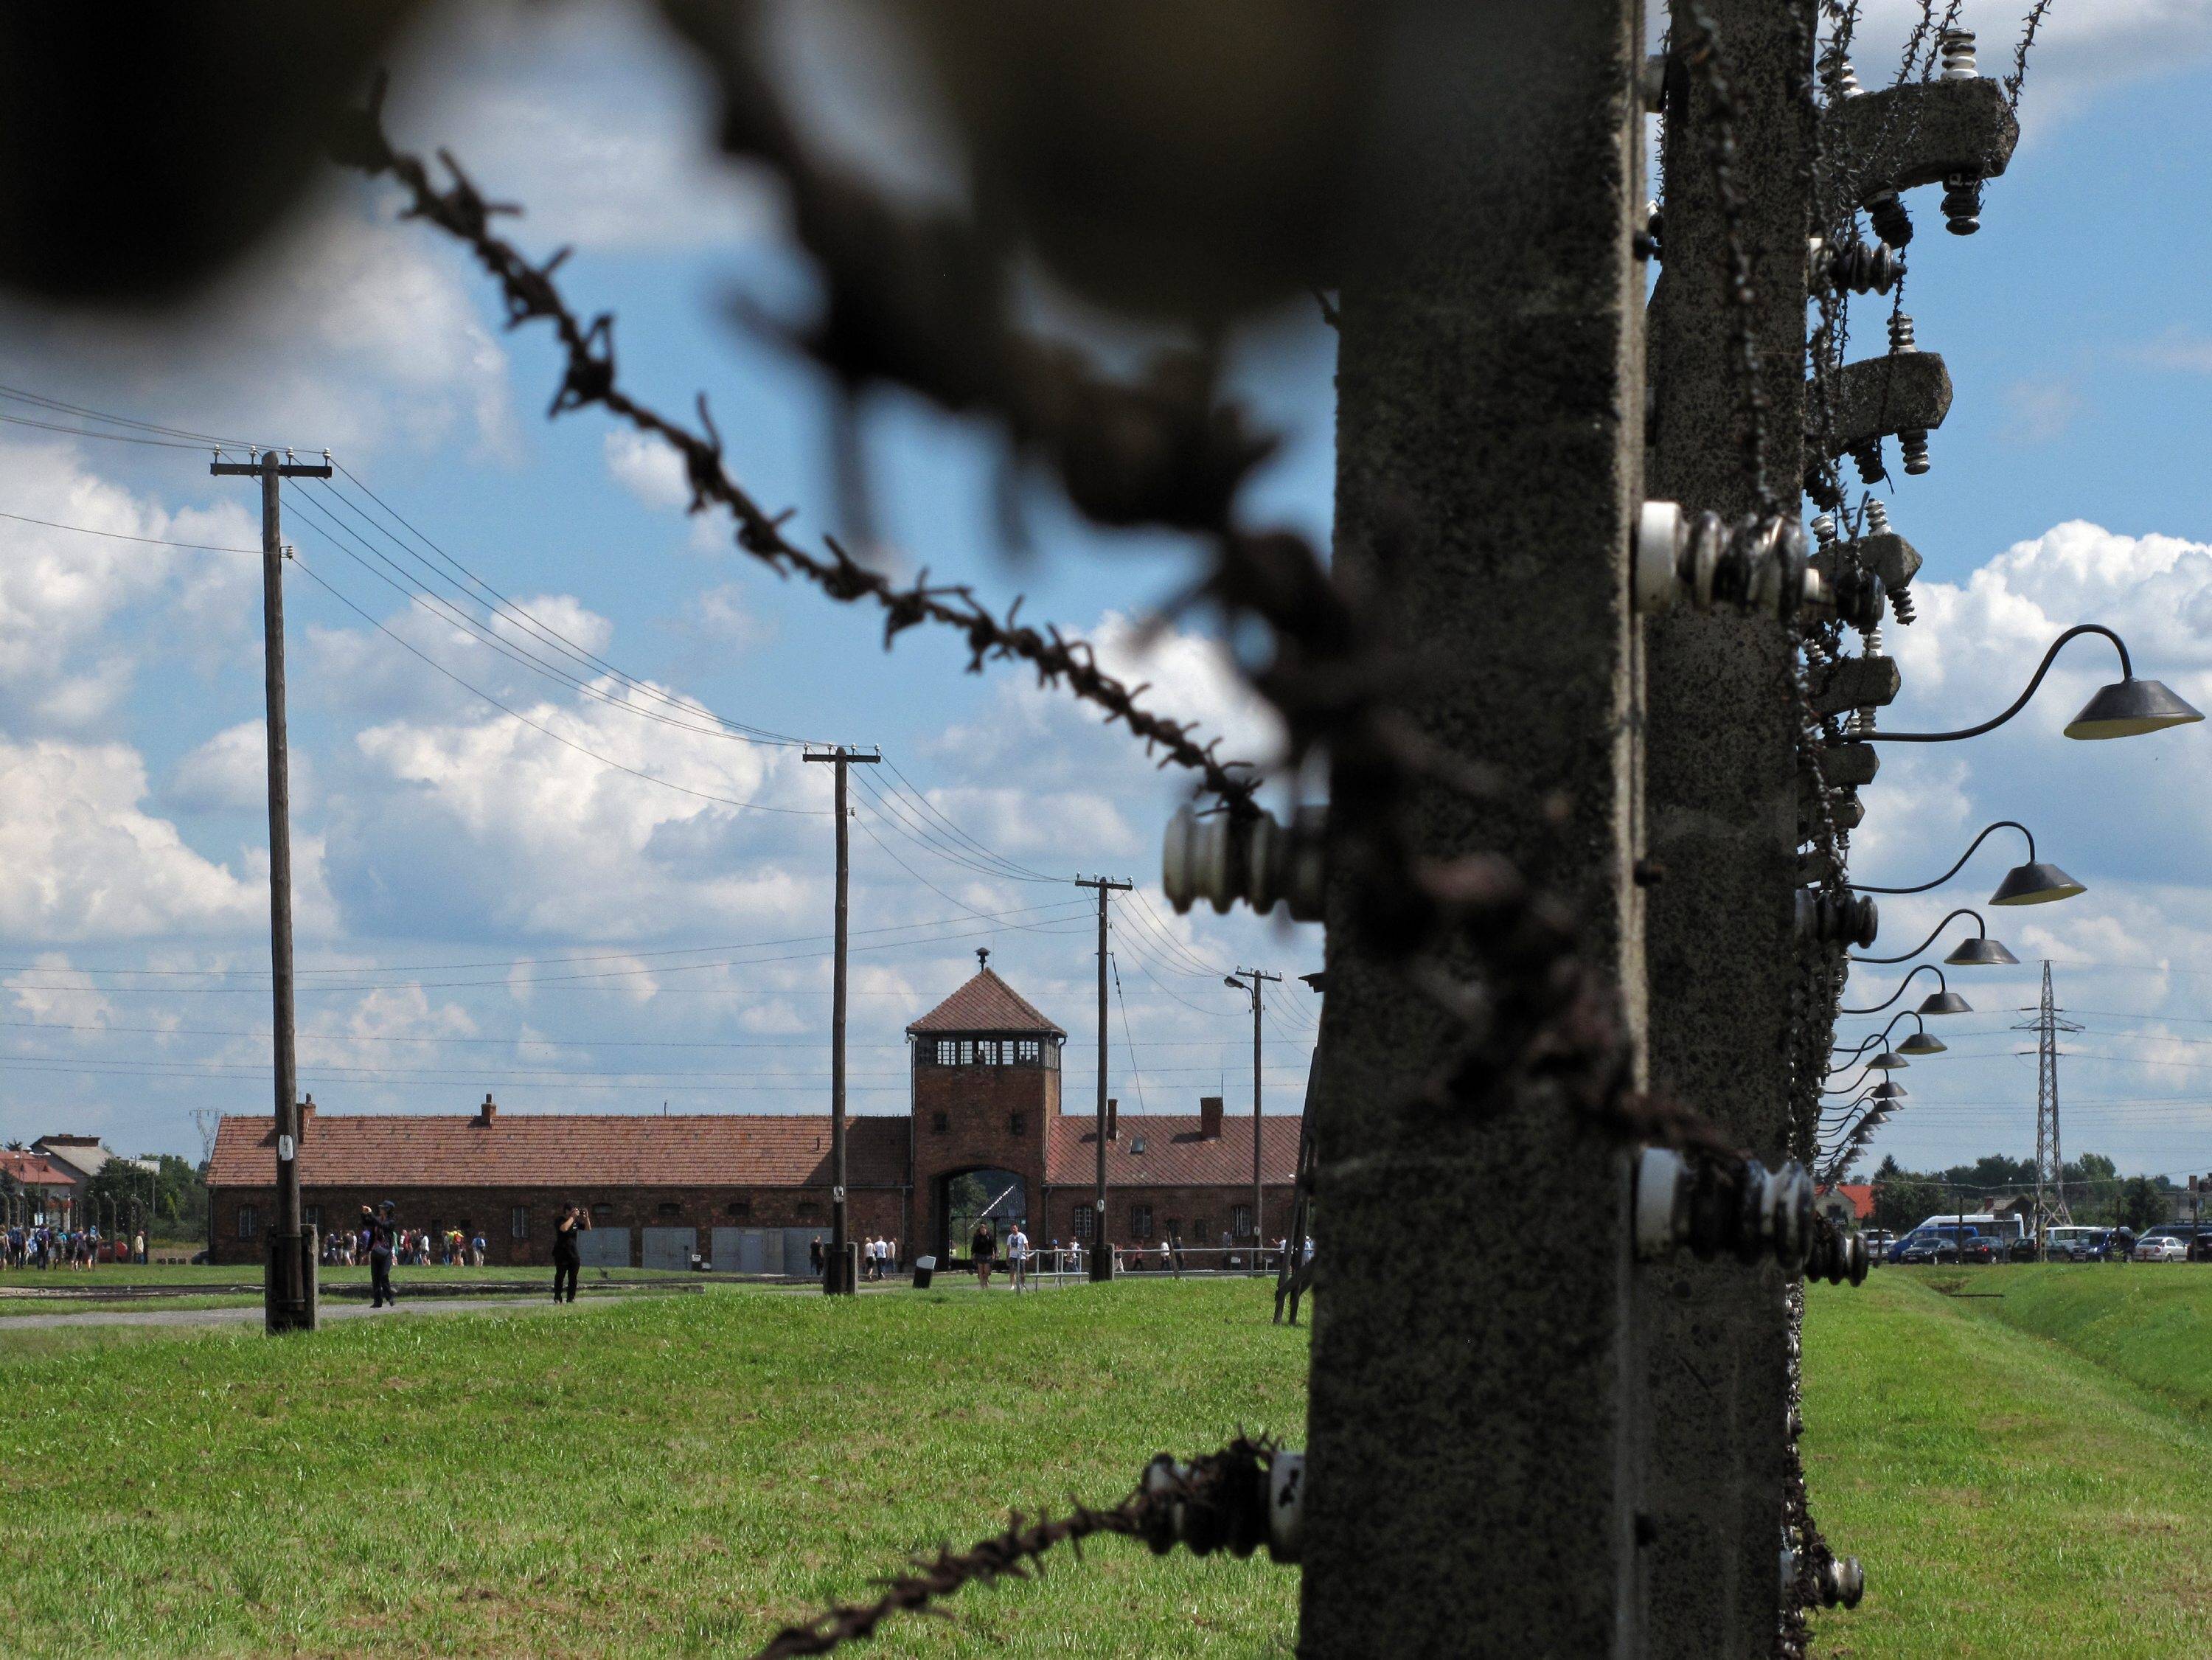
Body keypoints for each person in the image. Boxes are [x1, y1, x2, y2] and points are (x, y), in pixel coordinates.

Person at [552, 1201, 591, 1303]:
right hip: (561, 1253)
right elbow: (564, 1228)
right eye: (572, 1211)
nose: (574, 1213)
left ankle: (571, 1297)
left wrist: (586, 1217)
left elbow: (587, 1229)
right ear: (567, 1211)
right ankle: (557, 1296)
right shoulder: (560, 1220)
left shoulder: (575, 1224)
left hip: (573, 1254)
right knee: (560, 1276)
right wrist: (572, 1217)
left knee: (573, 1278)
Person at [366, 1202, 397, 1309]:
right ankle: (377, 1301)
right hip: (375, 1250)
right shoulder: (377, 1219)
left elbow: (383, 1226)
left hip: (386, 1252)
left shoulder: (391, 1222)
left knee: (384, 1275)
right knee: (375, 1278)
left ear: (388, 1210)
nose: (381, 1210)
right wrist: (365, 1214)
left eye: (383, 1208)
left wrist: (372, 1215)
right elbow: (367, 1223)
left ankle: (390, 1297)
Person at [970, 1217, 997, 1291]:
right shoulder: (977, 1237)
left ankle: (986, 1282)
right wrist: (973, 1254)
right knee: (981, 1272)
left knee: (986, 1272)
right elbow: (974, 1246)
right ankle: (982, 1287)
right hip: (979, 1255)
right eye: (981, 1229)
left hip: (988, 1256)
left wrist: (994, 1253)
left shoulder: (989, 1236)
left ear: (986, 1229)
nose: (983, 1231)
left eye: (984, 1229)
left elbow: (994, 1246)